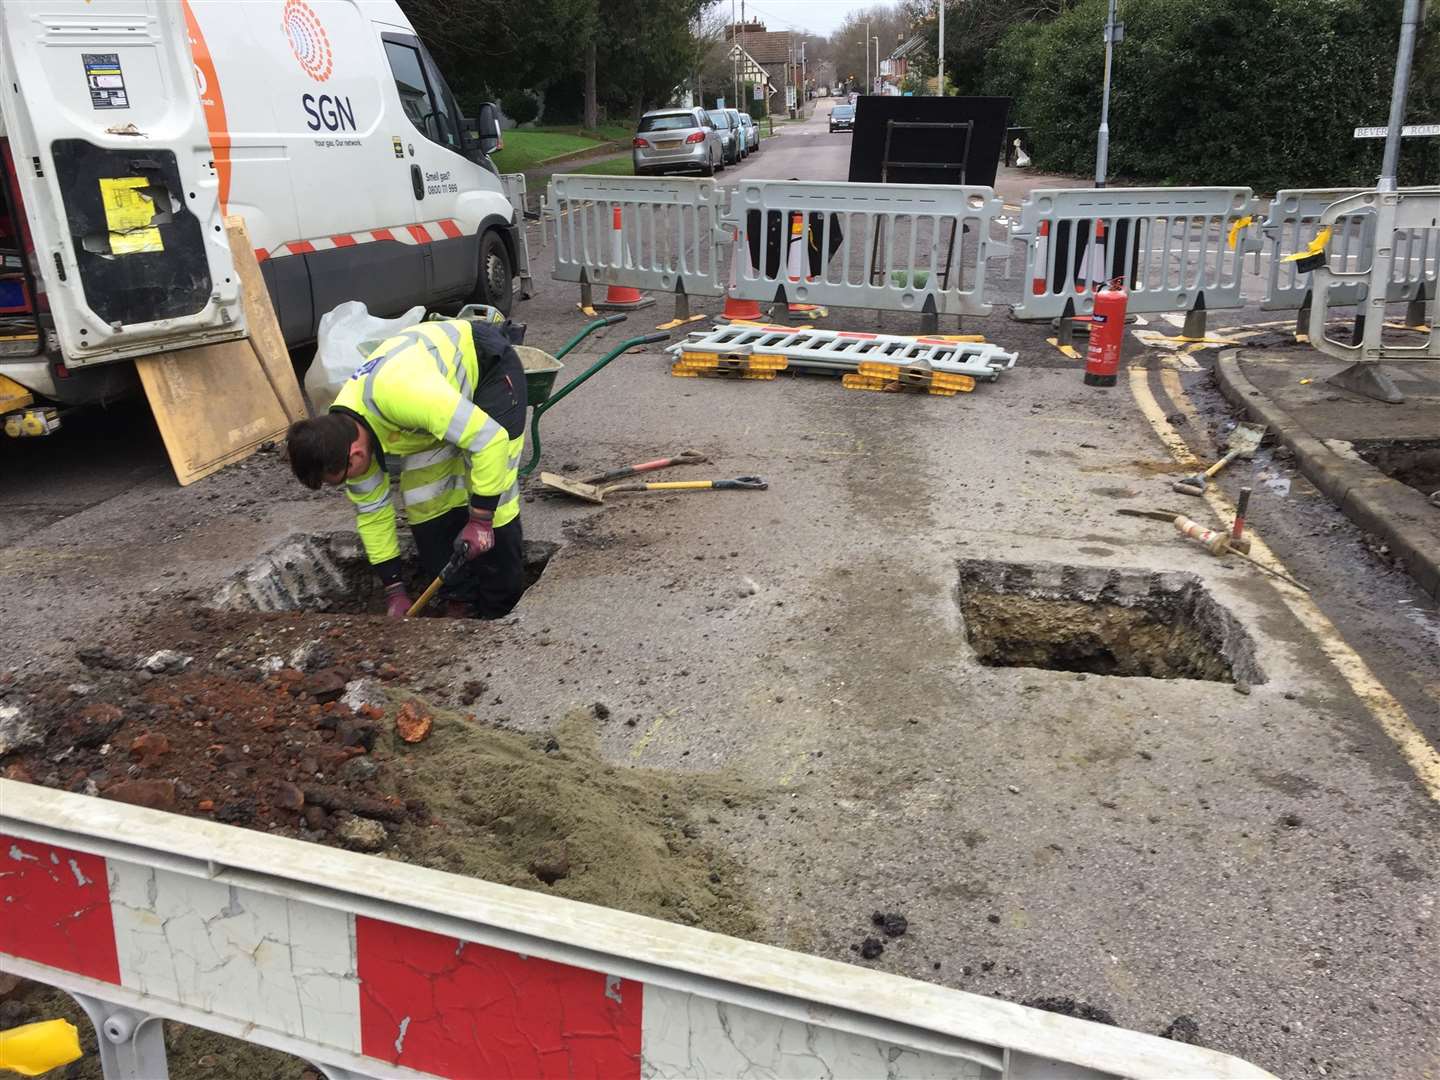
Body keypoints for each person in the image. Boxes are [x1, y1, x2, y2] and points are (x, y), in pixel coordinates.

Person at [286, 311, 527, 619]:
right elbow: (373, 516)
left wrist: (480, 519)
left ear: (354, 456)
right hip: (432, 406)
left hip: (487, 370)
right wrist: (394, 590)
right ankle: (458, 600)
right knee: (425, 499)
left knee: (497, 495)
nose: (346, 486)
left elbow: (489, 440)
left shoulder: (402, 394)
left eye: (339, 480)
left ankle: (500, 607)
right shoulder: (344, 432)